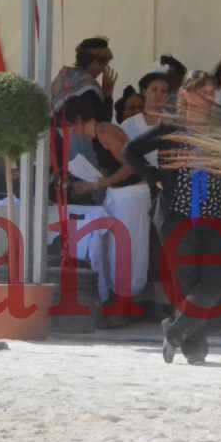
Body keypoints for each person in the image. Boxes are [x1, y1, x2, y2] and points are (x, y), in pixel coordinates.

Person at [125, 72, 221, 364]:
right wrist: (154, 178)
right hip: (179, 217)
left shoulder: (220, 129)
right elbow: (132, 151)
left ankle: (174, 331)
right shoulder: (172, 128)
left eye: (211, 95)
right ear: (185, 96)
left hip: (217, 216)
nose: (208, 100)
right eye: (202, 94)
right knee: (189, 283)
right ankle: (194, 347)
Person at [52, 91, 151, 325]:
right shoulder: (96, 136)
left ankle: (125, 305)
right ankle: (118, 302)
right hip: (118, 194)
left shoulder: (106, 133)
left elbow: (130, 167)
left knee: (128, 248)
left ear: (78, 121)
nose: (71, 132)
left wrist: (98, 183)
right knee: (114, 248)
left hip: (132, 195)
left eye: (70, 126)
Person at [49, 37, 118, 114]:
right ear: (91, 60)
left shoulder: (66, 74)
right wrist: (107, 94)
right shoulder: (89, 88)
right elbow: (101, 121)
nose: (104, 68)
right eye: (103, 62)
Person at [120, 72, 172, 166]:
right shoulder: (127, 125)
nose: (158, 95)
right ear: (144, 91)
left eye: (163, 91)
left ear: (167, 96)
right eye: (154, 89)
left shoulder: (174, 124)